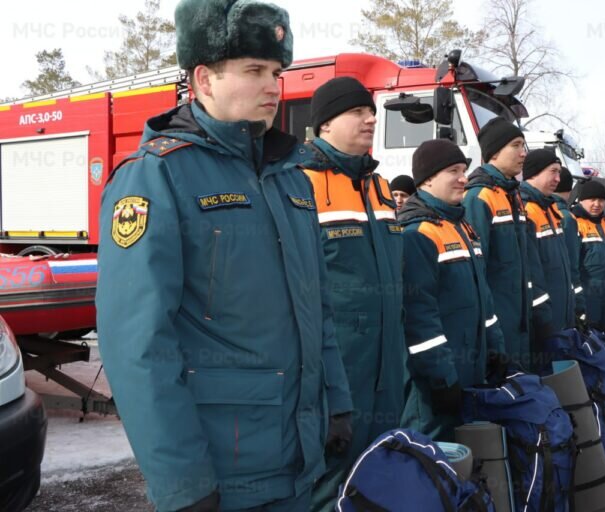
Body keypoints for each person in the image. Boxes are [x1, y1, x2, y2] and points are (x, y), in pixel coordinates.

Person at [96, 2, 353, 510]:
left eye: (277, 72)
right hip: (223, 472)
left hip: (299, 463)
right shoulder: (157, 177)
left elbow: (317, 307)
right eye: (254, 71)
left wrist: (337, 403)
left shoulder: (289, 177)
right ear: (203, 79)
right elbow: (138, 347)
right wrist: (182, 483)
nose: (273, 87)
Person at [301, 76, 407, 511]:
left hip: (387, 368)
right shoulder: (300, 183)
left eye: (371, 112)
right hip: (336, 369)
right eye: (357, 112)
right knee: (328, 482)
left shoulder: (379, 188)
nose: (370, 119)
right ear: (325, 124)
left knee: (377, 474)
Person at [399, 139, 506, 441]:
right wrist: (441, 379)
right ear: (428, 178)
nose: (464, 178)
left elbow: (483, 296)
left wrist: (495, 346)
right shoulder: (417, 233)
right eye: (454, 171)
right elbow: (419, 317)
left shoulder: (462, 227)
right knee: (431, 460)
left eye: (464, 170)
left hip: (469, 369)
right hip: (435, 384)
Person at [462, 117, 545, 371]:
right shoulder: (479, 197)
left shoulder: (512, 195)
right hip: (498, 323)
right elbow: (477, 270)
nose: (523, 153)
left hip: (519, 321)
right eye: (516, 145)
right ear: (495, 151)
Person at [520, 149, 576, 357]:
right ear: (534, 172)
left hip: (561, 313)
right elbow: (531, 272)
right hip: (544, 317)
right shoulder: (526, 209)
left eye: (559, 173)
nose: (558, 179)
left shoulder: (550, 209)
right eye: (553, 172)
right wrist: (542, 315)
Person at [571, 180, 605, 331]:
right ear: (581, 201)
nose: (596, 204)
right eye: (592, 200)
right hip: (588, 295)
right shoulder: (575, 223)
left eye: (601, 200)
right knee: (589, 339)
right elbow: (572, 265)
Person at [552, 167, 587, 328]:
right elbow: (572, 263)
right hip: (563, 296)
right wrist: (579, 305)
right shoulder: (566, 218)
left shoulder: (535, 210)